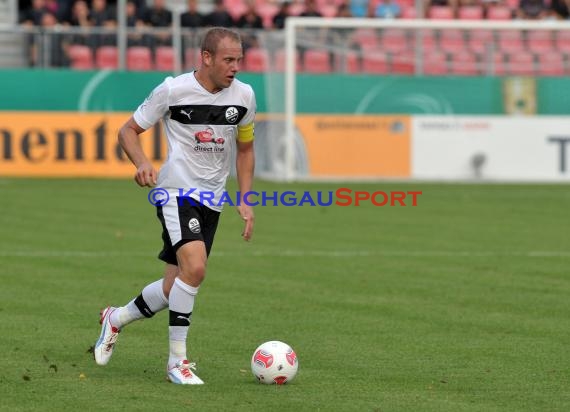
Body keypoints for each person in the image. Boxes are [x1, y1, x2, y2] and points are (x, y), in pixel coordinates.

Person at [93, 27, 257, 385]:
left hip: (213, 199)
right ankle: (177, 363)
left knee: (175, 288)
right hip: (175, 193)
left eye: (239, 60)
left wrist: (245, 198)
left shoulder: (244, 96)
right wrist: (141, 163)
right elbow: (127, 131)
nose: (235, 67)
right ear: (207, 57)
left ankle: (115, 318)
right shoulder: (173, 89)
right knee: (195, 270)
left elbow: (245, 148)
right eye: (228, 60)